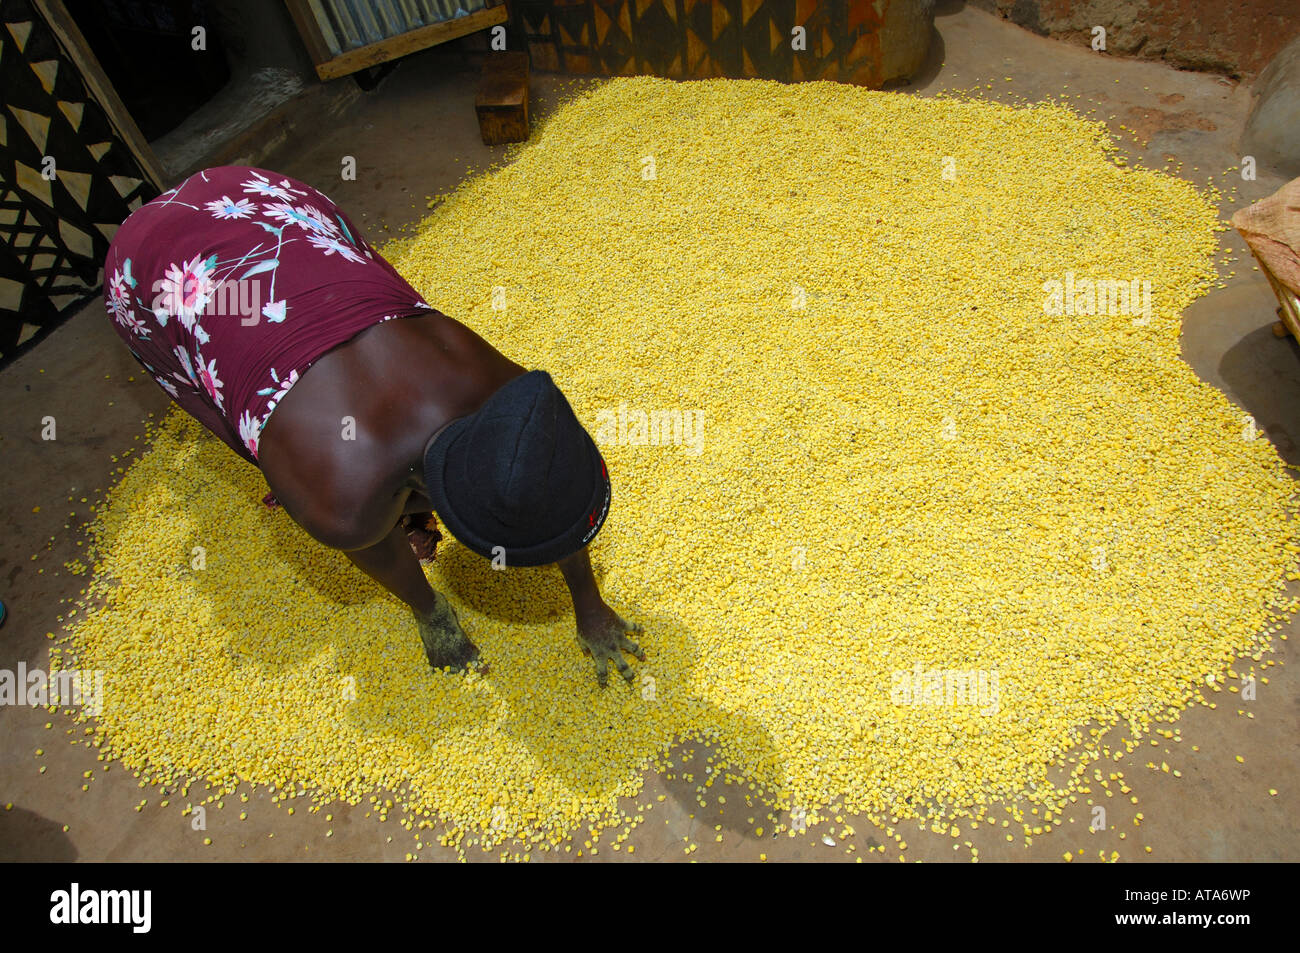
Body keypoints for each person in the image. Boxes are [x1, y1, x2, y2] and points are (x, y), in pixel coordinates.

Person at [103, 166, 643, 686]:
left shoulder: (507, 388)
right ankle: (430, 615)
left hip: (249, 195)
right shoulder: (342, 504)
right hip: (163, 267)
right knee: (223, 394)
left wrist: (589, 603)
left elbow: (546, 497)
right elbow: (376, 537)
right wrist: (431, 613)